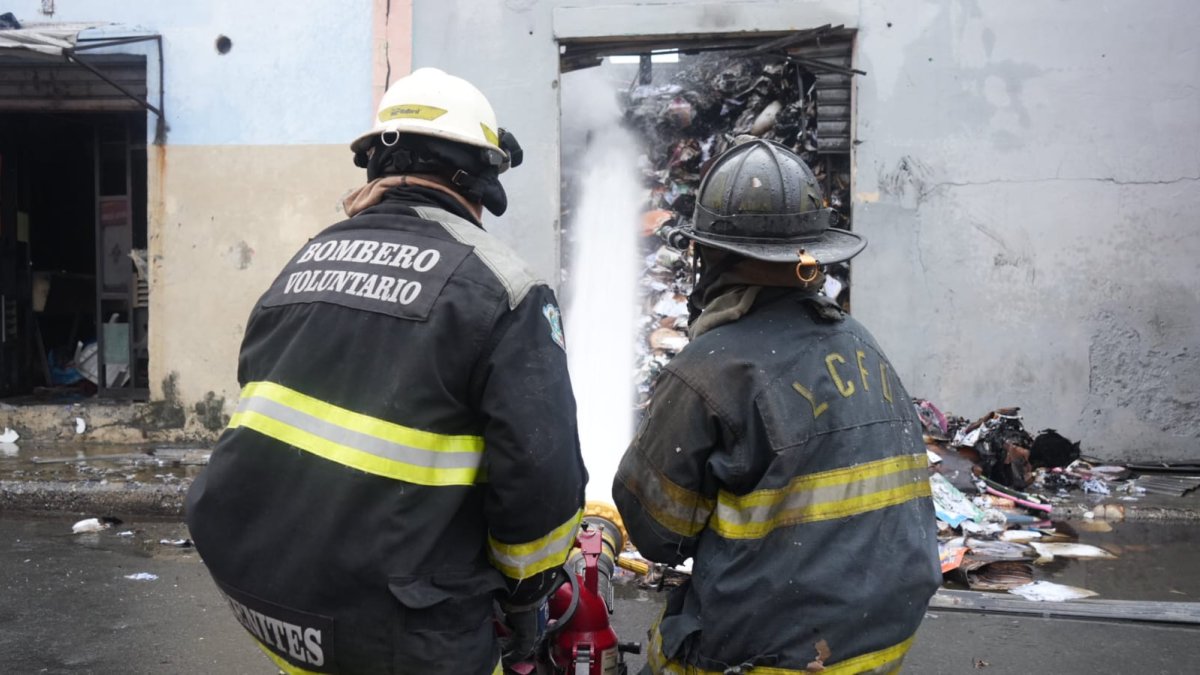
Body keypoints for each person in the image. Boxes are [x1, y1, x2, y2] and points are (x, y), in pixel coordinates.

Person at [186, 67, 587, 675]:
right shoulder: (505, 289)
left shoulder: (305, 262)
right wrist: (526, 592)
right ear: (479, 177)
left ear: (375, 164)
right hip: (397, 631)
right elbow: (541, 483)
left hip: (267, 601)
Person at [613, 139, 940, 674]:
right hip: (879, 647)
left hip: (769, 657)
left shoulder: (710, 369)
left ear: (710, 255)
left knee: (659, 654)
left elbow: (657, 533)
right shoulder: (862, 343)